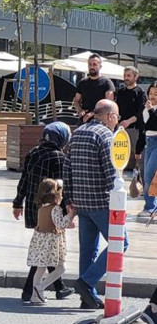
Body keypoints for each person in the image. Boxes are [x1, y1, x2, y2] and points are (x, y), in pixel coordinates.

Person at [63, 99, 127, 309]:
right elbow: (111, 173)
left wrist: (69, 199)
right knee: (121, 243)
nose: (117, 121)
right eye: (116, 116)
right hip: (102, 201)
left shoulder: (78, 132)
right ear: (109, 116)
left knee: (87, 250)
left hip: (81, 201)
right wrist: (119, 200)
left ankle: (87, 298)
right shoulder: (106, 136)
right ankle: (86, 283)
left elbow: (67, 168)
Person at [12, 122, 74, 302]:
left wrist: (18, 202)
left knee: (46, 248)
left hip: (34, 208)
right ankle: (29, 289)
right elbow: (63, 189)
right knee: (47, 249)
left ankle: (59, 287)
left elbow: (23, 179)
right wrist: (67, 210)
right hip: (52, 212)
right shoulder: (59, 158)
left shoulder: (33, 152)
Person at [25, 178, 76, 304]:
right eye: (61, 191)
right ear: (55, 194)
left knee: (40, 268)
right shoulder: (55, 209)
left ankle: (35, 295)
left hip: (40, 241)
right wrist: (71, 215)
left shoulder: (42, 207)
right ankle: (40, 288)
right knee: (61, 268)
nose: (62, 194)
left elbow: (49, 222)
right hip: (51, 243)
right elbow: (59, 223)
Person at [73, 53, 115, 123]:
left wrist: (93, 113)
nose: (92, 67)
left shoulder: (107, 82)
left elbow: (109, 104)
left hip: (100, 120)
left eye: (95, 64)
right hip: (84, 120)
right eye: (90, 64)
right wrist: (79, 110)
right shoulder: (83, 82)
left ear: (100, 66)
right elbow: (76, 100)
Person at [139, 82, 157, 220]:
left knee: (150, 175)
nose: (152, 96)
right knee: (146, 175)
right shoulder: (146, 108)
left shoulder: (151, 109)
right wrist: (138, 148)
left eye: (156, 94)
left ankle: (150, 207)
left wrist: (151, 110)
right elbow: (144, 128)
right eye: (150, 93)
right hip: (148, 142)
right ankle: (150, 205)